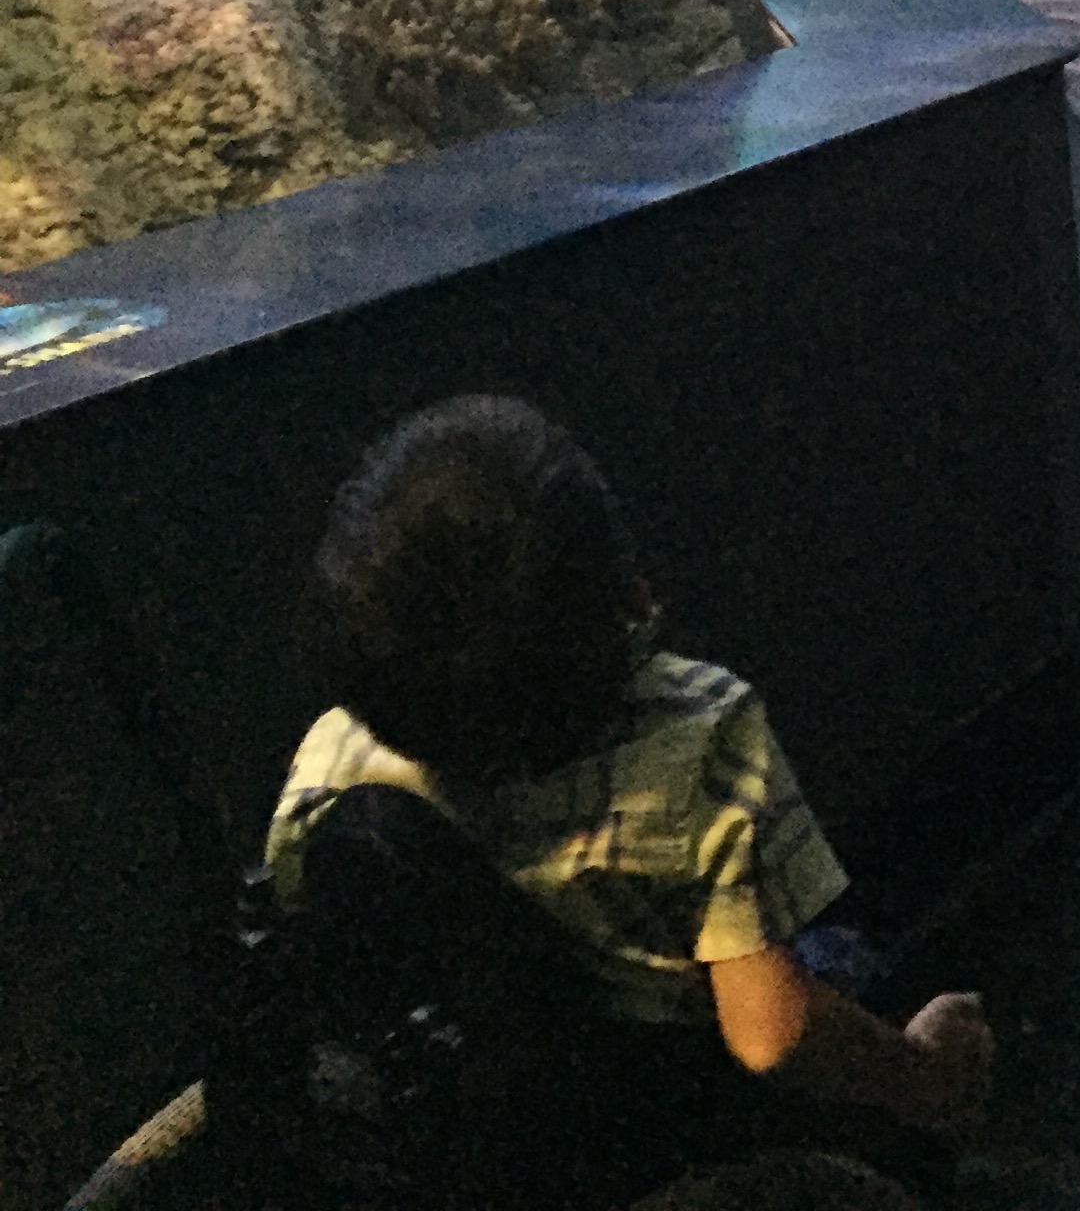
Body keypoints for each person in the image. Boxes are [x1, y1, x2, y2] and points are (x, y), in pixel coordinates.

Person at [265, 396, 994, 1183]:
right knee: (851, 958)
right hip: (662, 1119)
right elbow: (771, 1036)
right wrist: (920, 1073)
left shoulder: (331, 766)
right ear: (630, 602)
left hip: (492, 1124)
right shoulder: (700, 739)